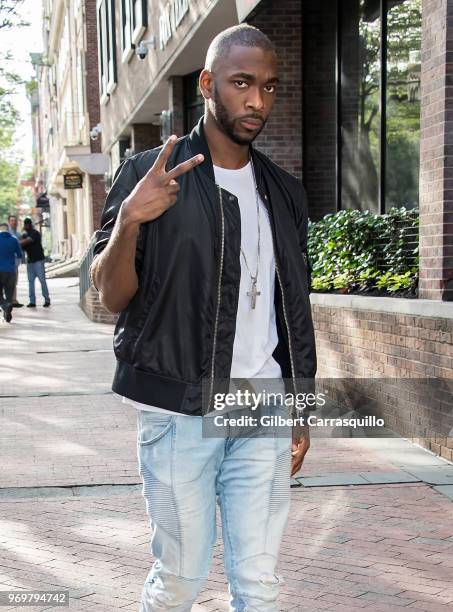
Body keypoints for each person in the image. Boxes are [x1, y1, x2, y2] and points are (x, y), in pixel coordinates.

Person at [90, 24, 316, 612]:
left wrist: (299, 405)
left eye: (269, 87)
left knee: (259, 585)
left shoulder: (284, 192)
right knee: (181, 581)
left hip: (260, 404)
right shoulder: (152, 171)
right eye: (242, 83)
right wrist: (131, 220)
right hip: (179, 408)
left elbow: (291, 308)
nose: (257, 101)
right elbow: (107, 296)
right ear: (209, 84)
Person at [20, 217, 51, 308]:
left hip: (38, 260)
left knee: (42, 281)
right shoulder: (24, 235)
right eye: (25, 224)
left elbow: (28, 241)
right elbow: (23, 246)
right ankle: (32, 301)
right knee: (30, 282)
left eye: (27, 224)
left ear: (30, 224)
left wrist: (17, 242)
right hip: (30, 261)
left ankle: (47, 300)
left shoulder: (35, 233)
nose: (26, 226)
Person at [0, 222, 23, 322]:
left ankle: (5, 305)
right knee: (9, 293)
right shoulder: (14, 240)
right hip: (10, 271)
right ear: (7, 229)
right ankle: (8, 310)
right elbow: (19, 255)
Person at [7, 214, 24, 308]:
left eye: (15, 220)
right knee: (6, 282)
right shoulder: (7, 234)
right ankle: (8, 301)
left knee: (14, 282)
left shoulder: (18, 234)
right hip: (7, 263)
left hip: (15, 263)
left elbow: (20, 249)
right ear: (9, 222)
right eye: (12, 220)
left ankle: (14, 300)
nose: (14, 222)